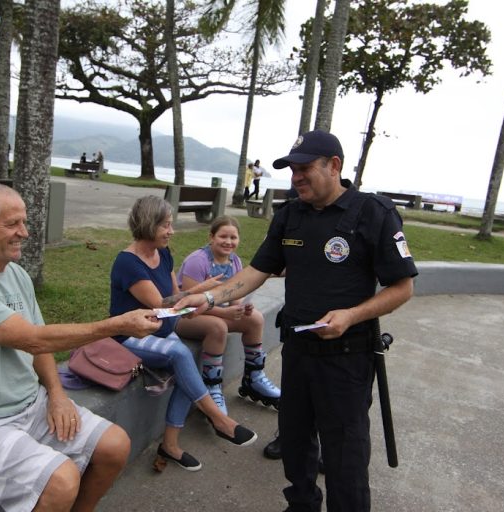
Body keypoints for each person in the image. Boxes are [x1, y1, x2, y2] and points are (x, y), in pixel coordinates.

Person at [175, 130, 417, 511]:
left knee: (345, 455)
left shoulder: (374, 214)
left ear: (334, 166)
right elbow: (257, 271)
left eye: (304, 168)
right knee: (296, 440)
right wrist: (206, 298)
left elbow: (402, 288)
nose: (296, 177)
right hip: (298, 351)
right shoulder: (291, 215)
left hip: (347, 357)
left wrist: (352, 314)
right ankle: (301, 505)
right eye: (292, 170)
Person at [0, 183, 161, 512]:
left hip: (29, 404)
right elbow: (33, 338)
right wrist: (118, 324)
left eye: (24, 222)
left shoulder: (16, 274)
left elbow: (39, 342)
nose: (25, 232)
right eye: (12, 224)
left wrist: (57, 395)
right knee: (61, 481)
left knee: (115, 446)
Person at [110, 195, 257, 472]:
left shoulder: (163, 253)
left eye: (170, 224)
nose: (171, 231)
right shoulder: (128, 263)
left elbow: (174, 297)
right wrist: (200, 291)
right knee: (180, 353)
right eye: (166, 225)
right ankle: (219, 420)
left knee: (186, 369)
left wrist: (190, 304)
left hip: (162, 330)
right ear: (148, 224)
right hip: (131, 336)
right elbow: (161, 304)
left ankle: (170, 445)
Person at [175, 215, 280, 415]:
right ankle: (212, 386)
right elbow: (187, 303)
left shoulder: (235, 261)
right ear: (211, 237)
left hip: (215, 312)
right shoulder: (197, 261)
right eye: (223, 236)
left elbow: (235, 299)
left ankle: (254, 378)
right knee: (218, 327)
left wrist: (241, 310)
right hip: (186, 316)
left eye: (233, 238)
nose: (228, 242)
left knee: (255, 318)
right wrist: (226, 312)